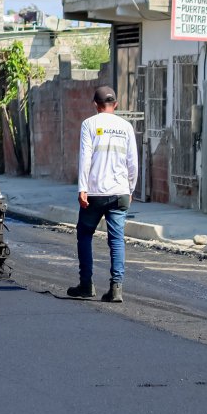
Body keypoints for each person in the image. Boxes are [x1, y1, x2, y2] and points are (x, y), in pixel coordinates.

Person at [69, 85, 138, 304]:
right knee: (117, 240)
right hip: (120, 192)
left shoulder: (89, 124)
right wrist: (131, 188)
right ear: (115, 104)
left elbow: (85, 158)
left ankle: (86, 284)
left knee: (85, 234)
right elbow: (133, 162)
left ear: (95, 105)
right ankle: (116, 287)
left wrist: (82, 188)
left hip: (95, 192)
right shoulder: (126, 126)